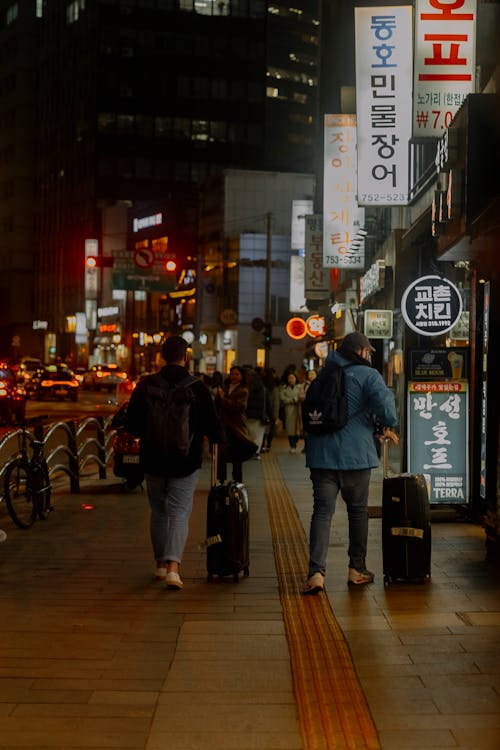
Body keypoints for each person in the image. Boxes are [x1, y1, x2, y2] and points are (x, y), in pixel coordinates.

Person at [303, 331, 398, 595]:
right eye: (368, 351)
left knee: (322, 512)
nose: (369, 355)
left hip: (321, 456)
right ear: (361, 352)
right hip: (355, 457)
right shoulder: (368, 375)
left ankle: (316, 574)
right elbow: (389, 413)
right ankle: (356, 569)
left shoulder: (324, 374)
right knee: (357, 512)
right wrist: (384, 424)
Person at [125, 336, 220, 589]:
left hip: (153, 459)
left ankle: (159, 564)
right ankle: (173, 569)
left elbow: (132, 425)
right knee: (179, 513)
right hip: (185, 461)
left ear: (162, 356)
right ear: (185, 356)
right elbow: (213, 426)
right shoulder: (197, 388)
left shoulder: (146, 385)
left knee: (158, 512)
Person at [216, 365, 257, 482]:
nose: (233, 376)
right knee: (221, 454)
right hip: (223, 425)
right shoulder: (225, 387)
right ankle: (221, 479)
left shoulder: (243, 390)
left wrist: (223, 399)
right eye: (232, 374)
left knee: (237, 455)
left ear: (242, 376)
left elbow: (239, 407)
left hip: (236, 427)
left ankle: (237, 480)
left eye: (237, 374)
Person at [279, 371, 303, 453]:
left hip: (298, 408)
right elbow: (282, 397)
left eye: (292, 378)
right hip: (289, 409)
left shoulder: (300, 387)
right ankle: (292, 445)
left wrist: (295, 399)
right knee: (290, 428)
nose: (291, 380)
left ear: (296, 378)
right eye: (289, 378)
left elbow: (301, 395)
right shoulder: (284, 388)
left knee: (298, 427)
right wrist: (290, 401)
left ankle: (296, 439)